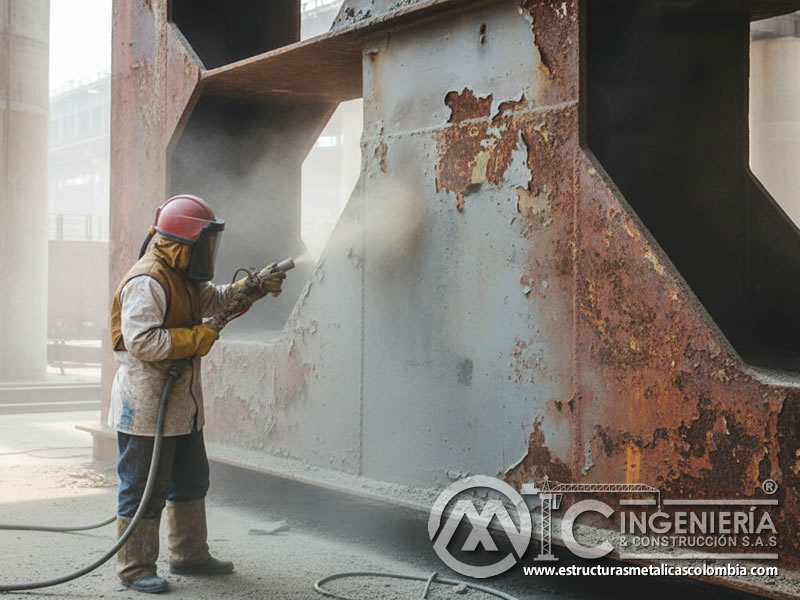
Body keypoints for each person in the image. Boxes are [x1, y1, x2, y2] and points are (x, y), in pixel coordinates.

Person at [108, 194, 285, 594]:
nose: (208, 252)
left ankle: (189, 554)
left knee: (191, 479)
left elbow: (216, 299)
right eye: (202, 243)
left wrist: (252, 287)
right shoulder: (147, 281)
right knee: (144, 487)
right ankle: (135, 568)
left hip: (182, 405)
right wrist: (196, 337)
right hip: (147, 406)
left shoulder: (183, 274)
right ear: (180, 242)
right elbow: (142, 341)